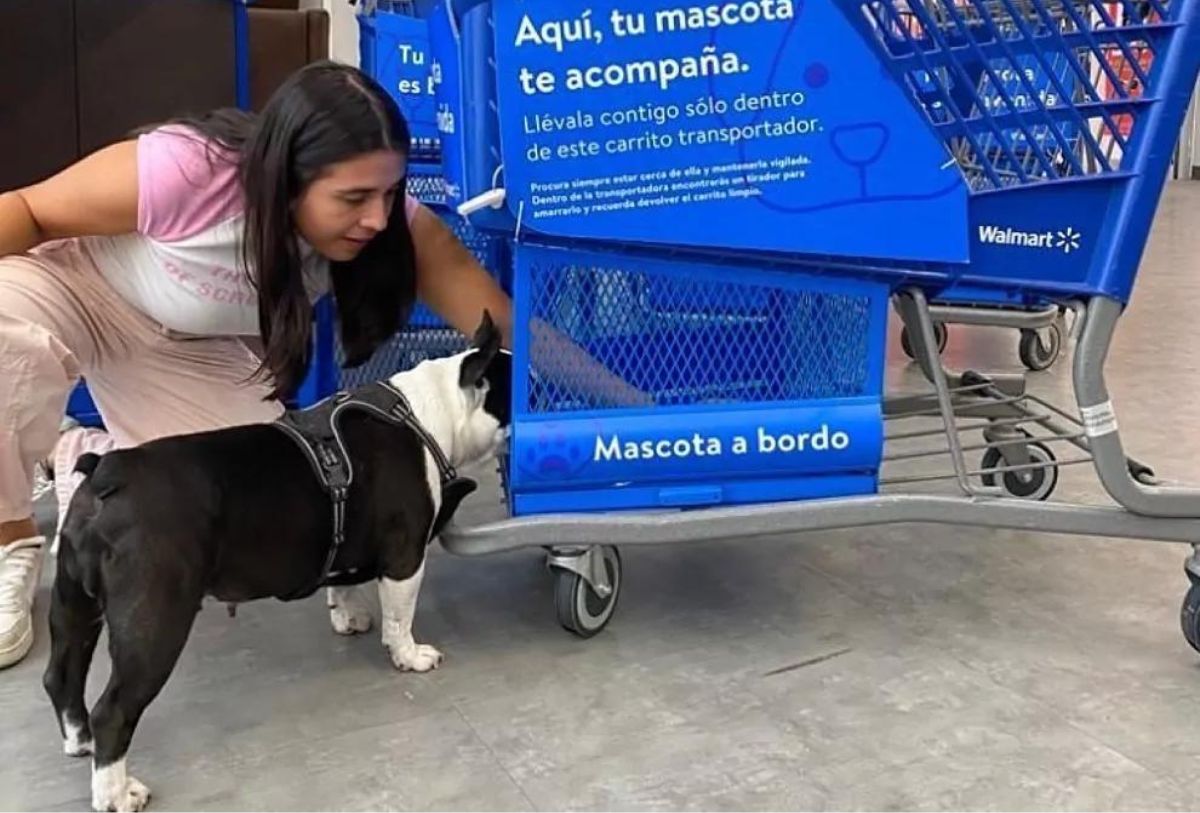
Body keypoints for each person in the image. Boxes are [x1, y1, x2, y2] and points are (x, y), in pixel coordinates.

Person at [0, 60, 645, 670]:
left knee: (273, 498)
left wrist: (633, 407)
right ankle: (11, 536)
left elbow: (507, 327)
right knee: (8, 344)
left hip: (184, 350)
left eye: (391, 193)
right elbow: (29, 210)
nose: (377, 217)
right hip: (77, 287)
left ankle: (86, 455)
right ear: (288, 175)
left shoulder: (393, 227)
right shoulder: (190, 168)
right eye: (355, 196)